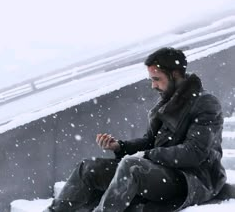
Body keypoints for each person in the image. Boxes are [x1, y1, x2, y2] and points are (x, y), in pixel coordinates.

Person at [43, 47, 228, 212]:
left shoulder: (205, 103)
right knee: (88, 168)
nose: (153, 85)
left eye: (157, 79)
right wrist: (119, 146)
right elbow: (150, 141)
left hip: (191, 179)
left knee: (132, 167)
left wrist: (147, 156)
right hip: (162, 170)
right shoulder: (168, 102)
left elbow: (194, 153)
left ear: (176, 74)